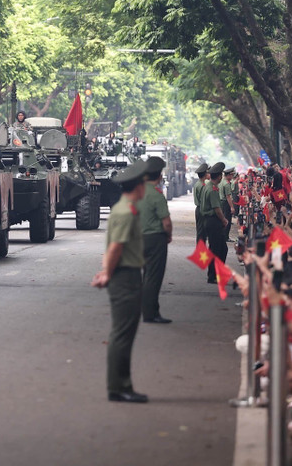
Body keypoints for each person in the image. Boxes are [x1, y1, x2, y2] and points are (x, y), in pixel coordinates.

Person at [90, 159, 150, 403]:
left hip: (126, 274)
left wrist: (106, 271)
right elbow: (116, 248)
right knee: (123, 334)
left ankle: (121, 384)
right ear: (137, 186)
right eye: (143, 184)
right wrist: (107, 272)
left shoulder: (123, 208)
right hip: (125, 276)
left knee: (123, 332)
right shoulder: (126, 212)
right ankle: (119, 386)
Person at [137, 156, 172, 324]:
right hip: (155, 239)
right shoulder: (157, 195)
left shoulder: (138, 192)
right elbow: (166, 222)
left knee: (145, 275)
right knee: (153, 277)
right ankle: (150, 313)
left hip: (138, 238)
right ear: (159, 175)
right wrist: (169, 235)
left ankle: (146, 309)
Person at [199, 162, 229, 283]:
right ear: (219, 176)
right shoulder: (212, 190)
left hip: (209, 221)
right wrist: (224, 220)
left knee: (220, 248)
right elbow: (217, 208)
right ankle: (213, 275)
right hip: (213, 221)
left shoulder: (207, 187)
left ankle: (216, 273)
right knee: (217, 249)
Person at [193, 162, 208, 244]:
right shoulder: (202, 185)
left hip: (199, 209)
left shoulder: (198, 184)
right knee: (201, 233)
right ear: (205, 174)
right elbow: (203, 200)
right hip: (202, 209)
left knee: (200, 231)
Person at [222, 167, 236, 242]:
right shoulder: (227, 184)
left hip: (221, 203)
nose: (232, 177)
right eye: (231, 175)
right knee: (227, 220)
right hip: (226, 203)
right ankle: (226, 236)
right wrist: (232, 207)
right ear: (228, 175)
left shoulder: (221, 182)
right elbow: (228, 196)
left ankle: (222, 235)